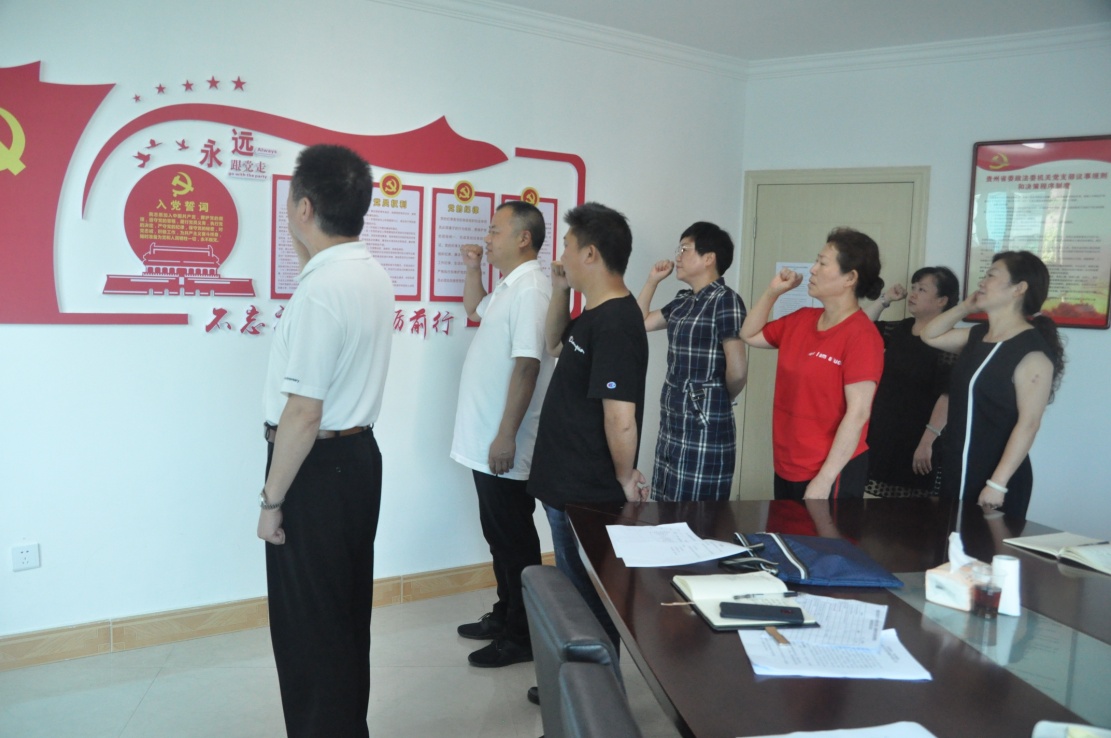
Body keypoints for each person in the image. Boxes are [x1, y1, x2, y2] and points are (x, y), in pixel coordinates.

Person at [257, 144, 393, 738]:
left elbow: (303, 412)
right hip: (357, 460)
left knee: (307, 628)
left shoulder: (320, 291)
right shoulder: (369, 273)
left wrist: (270, 501)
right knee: (343, 614)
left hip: (312, 468)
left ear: (305, 207)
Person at [528, 201, 649, 650]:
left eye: (567, 245)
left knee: (588, 597)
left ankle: (598, 686)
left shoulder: (617, 321)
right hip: (565, 480)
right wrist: (561, 289)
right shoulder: (596, 311)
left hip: (588, 487)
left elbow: (621, 417)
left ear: (591, 253)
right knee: (572, 588)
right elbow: (553, 343)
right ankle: (577, 683)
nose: (560, 255)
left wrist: (624, 476)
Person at [450, 201, 554, 668]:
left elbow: (528, 366)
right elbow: (474, 307)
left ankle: (523, 634)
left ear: (523, 238)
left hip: (503, 442)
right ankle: (505, 612)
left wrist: (506, 435)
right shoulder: (511, 286)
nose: (487, 238)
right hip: (484, 439)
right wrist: (473, 267)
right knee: (499, 536)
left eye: (495, 231)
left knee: (514, 541)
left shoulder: (531, 289)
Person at [739, 227, 885, 500]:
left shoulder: (862, 336)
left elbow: (858, 414)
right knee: (785, 528)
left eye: (822, 263)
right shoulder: (801, 319)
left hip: (829, 472)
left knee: (821, 531)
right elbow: (749, 334)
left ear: (850, 278)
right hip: (788, 463)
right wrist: (773, 292)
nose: (813, 269)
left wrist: (824, 480)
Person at [922, 251, 1065, 519]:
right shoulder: (978, 336)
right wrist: (965, 307)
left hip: (995, 480)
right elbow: (929, 335)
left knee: (982, 546)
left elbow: (1029, 424)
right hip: (957, 467)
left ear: (1019, 289)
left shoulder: (1032, 351)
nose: (982, 281)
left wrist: (997, 484)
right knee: (948, 543)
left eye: (991, 275)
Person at [637, 221, 748, 501]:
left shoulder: (726, 301)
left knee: (696, 509)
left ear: (709, 258)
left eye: (685, 249)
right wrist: (652, 281)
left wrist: (714, 399)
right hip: (674, 418)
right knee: (667, 502)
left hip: (704, 423)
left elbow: (738, 371)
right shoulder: (684, 301)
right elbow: (640, 322)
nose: (678, 256)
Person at [862, 266, 959, 497]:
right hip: (884, 431)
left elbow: (947, 396)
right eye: (913, 287)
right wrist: (885, 299)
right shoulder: (899, 329)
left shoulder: (949, 341)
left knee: (912, 510)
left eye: (922, 289)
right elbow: (860, 327)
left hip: (919, 437)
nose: (913, 293)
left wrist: (927, 442)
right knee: (874, 508)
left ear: (942, 300)